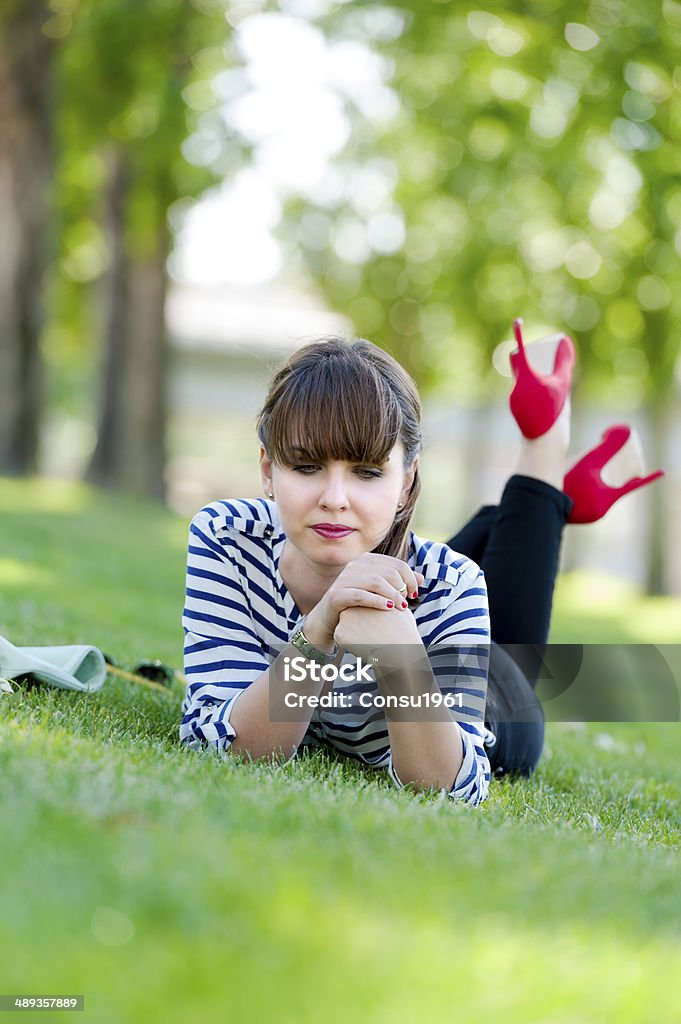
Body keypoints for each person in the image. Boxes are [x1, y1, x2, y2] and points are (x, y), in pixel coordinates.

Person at [179, 326, 663, 805]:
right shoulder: (228, 539)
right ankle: (549, 498)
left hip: (493, 700)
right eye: (307, 467)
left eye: (367, 473)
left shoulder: (453, 585)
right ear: (267, 469)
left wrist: (403, 661)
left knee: (499, 637)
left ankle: (545, 449)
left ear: (409, 480)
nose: (335, 499)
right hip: (402, 570)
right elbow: (227, 746)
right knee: (411, 559)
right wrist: (319, 630)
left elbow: (450, 785)